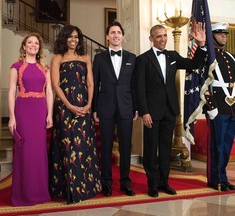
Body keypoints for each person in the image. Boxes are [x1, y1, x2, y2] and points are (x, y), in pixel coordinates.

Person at [135, 24, 206, 198]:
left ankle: (164, 183)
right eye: (158, 36)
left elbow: (195, 64)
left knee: (166, 149)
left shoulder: (172, 56)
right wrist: (144, 112)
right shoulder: (143, 59)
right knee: (151, 150)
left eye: (164, 36)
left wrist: (201, 45)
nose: (163, 39)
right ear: (151, 38)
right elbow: (139, 88)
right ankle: (152, 185)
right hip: (151, 113)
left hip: (169, 111)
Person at [49, 25, 101, 204]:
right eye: (70, 37)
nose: (73, 40)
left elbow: (91, 84)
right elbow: (55, 85)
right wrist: (70, 106)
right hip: (64, 107)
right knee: (66, 146)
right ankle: (67, 189)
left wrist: (88, 105)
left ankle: (85, 187)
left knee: (82, 147)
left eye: (76, 37)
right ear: (64, 38)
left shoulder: (86, 58)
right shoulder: (57, 58)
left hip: (83, 107)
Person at [93, 21, 138, 197]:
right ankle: (106, 183)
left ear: (123, 36)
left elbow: (134, 85)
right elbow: (95, 84)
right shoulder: (99, 58)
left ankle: (126, 183)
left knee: (126, 146)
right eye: (112, 32)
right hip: (105, 107)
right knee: (105, 147)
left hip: (127, 107)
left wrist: (136, 107)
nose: (116, 35)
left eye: (118, 32)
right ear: (107, 37)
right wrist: (95, 108)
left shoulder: (132, 58)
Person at [8, 32, 53, 206]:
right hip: (23, 112)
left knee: (39, 152)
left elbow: (49, 92)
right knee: (25, 152)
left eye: (36, 43)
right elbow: (11, 93)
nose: (33, 45)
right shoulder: (16, 67)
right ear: (24, 46)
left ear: (39, 47)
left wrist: (49, 114)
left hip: (40, 111)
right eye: (30, 42)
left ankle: (40, 193)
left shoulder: (45, 68)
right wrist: (12, 118)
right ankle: (23, 194)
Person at [204, 22, 235, 192]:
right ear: (212, 36)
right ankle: (214, 179)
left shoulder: (231, 57)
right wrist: (211, 107)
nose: (224, 36)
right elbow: (203, 85)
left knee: (227, 145)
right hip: (218, 109)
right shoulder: (209, 57)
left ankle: (223, 178)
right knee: (216, 145)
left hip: (231, 108)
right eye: (220, 33)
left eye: (225, 33)